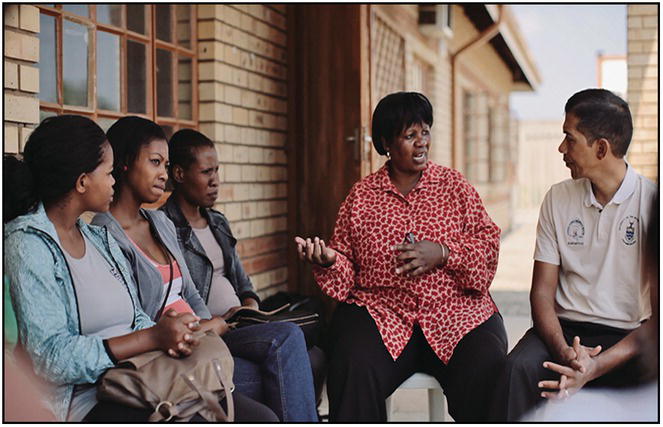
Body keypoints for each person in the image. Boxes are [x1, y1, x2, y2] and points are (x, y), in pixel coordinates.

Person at [4, 115, 276, 422]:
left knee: (260, 418)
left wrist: (178, 331)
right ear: (81, 182)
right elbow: (50, 357)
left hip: (139, 378)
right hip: (88, 401)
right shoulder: (29, 244)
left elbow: (137, 318)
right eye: (108, 173)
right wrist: (150, 338)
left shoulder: (98, 239)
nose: (113, 181)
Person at [295, 92, 508, 422]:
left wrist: (443, 253)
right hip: (382, 313)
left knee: (486, 366)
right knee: (352, 363)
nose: (421, 143)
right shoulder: (362, 196)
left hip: (457, 313)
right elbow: (346, 272)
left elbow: (487, 251)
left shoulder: (454, 186)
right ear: (386, 143)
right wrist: (328, 261)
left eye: (425, 132)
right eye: (410, 135)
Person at [92, 116, 317, 422]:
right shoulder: (105, 234)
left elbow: (191, 293)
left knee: (291, 335)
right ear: (126, 163)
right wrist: (204, 328)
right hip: (170, 347)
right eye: (156, 163)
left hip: (205, 333)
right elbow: (136, 316)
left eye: (166, 165)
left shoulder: (160, 222)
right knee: (281, 361)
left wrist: (211, 323)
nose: (164, 175)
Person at [492, 89, 657, 421]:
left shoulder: (652, 204)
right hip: (563, 330)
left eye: (569, 138)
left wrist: (594, 367)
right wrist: (566, 352)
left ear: (600, 149)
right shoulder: (557, 198)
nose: (561, 148)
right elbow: (541, 293)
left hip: (628, 336)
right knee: (516, 370)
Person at [160, 128, 325, 410]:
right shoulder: (164, 227)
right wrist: (221, 317)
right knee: (289, 339)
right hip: (212, 328)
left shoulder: (218, 222)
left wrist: (249, 307)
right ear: (178, 174)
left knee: (317, 352)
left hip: (241, 322)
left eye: (217, 171)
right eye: (206, 173)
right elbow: (176, 295)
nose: (215, 182)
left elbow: (243, 283)